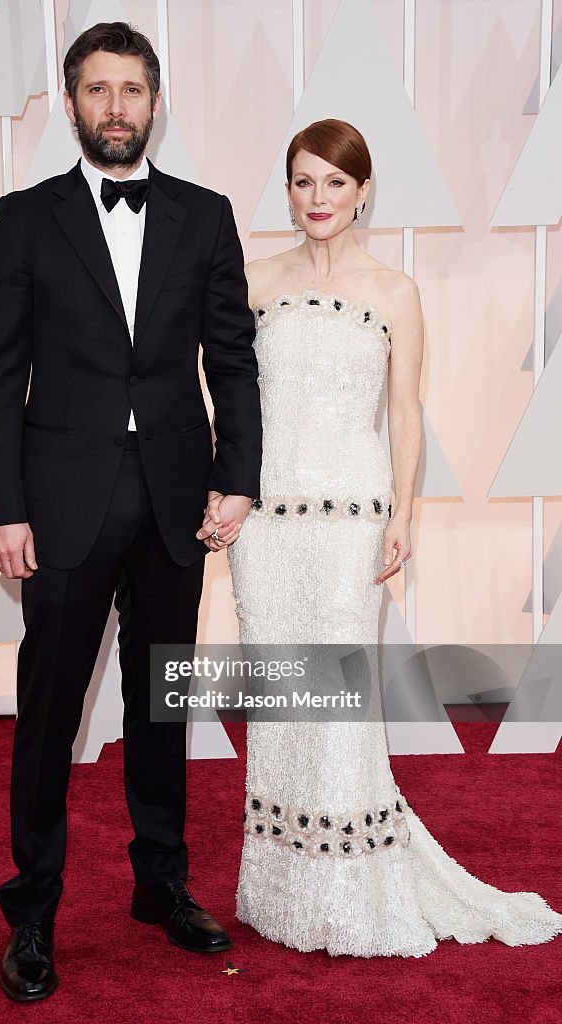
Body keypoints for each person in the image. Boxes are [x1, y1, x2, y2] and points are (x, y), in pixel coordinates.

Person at [200, 118, 562, 955]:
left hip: (347, 524)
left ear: (363, 190)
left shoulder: (395, 291)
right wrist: (223, 490)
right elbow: (227, 405)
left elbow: (404, 412)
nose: (318, 198)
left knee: (338, 703)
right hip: (267, 527)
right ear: (286, 192)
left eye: (334, 181)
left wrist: (403, 513)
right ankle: (285, 888)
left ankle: (350, 890)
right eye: (302, 181)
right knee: (285, 701)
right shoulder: (253, 283)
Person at [0, 22, 261, 1002]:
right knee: (48, 711)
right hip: (57, 503)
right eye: (96, 90)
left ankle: (160, 883)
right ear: (70, 104)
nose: (114, 107)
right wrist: (2, 507)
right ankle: (34, 910)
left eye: (130, 89)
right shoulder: (24, 219)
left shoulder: (204, 215)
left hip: (177, 498)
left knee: (157, 699)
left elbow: (230, 357)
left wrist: (237, 477)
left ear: (154, 102)